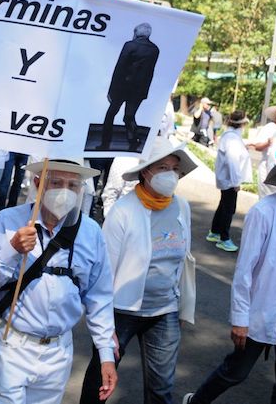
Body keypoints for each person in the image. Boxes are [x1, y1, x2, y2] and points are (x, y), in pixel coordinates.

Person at [0, 159, 117, 404]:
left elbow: (99, 297)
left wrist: (106, 355)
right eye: (56, 183)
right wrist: (11, 251)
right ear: (38, 183)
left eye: (73, 185)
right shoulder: (8, 221)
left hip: (58, 352)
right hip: (13, 346)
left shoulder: (91, 232)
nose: (65, 191)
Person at [183, 148, 276, 404]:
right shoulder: (264, 213)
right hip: (263, 310)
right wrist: (240, 319)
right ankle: (196, 401)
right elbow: (244, 271)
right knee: (236, 372)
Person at [81, 137, 198, 404]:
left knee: (162, 388)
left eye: (175, 168)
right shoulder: (123, 211)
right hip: (121, 312)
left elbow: (183, 259)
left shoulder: (182, 207)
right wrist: (103, 323)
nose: (171, 175)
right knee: (101, 380)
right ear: (145, 172)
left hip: (165, 310)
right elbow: (102, 271)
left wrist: (181, 304)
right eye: (162, 168)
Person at [97, 22, 160, 151]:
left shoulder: (130, 45)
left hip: (122, 88)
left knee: (111, 114)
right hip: (138, 91)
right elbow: (149, 72)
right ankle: (134, 140)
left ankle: (105, 142)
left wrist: (111, 90)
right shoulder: (155, 50)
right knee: (129, 116)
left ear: (136, 33)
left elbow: (119, 68)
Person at [206, 110, 252, 252]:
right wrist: (236, 182)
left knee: (223, 205)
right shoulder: (232, 139)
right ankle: (224, 238)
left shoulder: (230, 137)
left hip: (226, 179)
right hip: (229, 180)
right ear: (243, 124)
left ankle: (215, 232)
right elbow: (232, 161)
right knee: (229, 209)